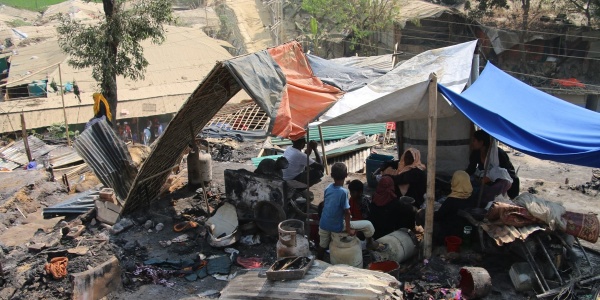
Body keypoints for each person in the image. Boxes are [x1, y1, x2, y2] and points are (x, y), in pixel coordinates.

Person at [317, 163, 386, 260]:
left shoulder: (328, 188)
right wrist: (349, 229)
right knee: (368, 225)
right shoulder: (343, 192)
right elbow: (347, 213)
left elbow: (326, 205)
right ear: (346, 175)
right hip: (337, 225)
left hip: (323, 224)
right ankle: (370, 243)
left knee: (322, 245)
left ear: (331, 175)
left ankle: (318, 260)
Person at [466, 129, 519, 202]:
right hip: (484, 178)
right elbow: (471, 169)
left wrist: (490, 178)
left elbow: (505, 173)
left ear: (481, 142)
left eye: (474, 140)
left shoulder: (498, 154)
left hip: (503, 179)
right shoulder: (476, 153)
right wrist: (462, 176)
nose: (472, 143)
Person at [431, 170, 476, 245]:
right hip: (467, 233)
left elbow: (438, 216)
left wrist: (429, 213)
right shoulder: (472, 197)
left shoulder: (451, 201)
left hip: (450, 235)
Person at [369, 174, 418, 239]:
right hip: (388, 235)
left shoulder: (374, 198)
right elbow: (407, 210)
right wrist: (415, 209)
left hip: (373, 233)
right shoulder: (393, 202)